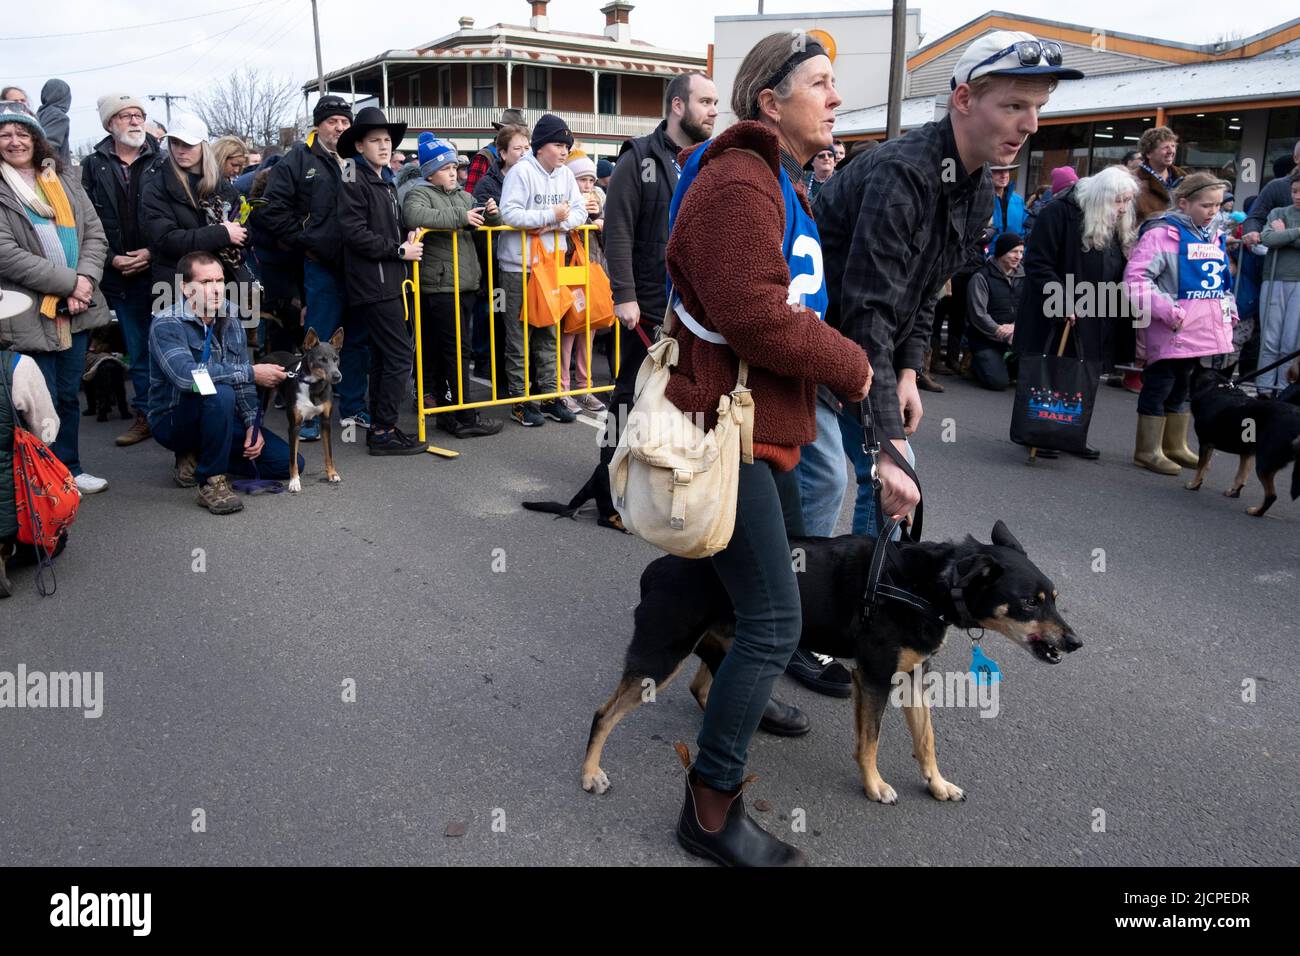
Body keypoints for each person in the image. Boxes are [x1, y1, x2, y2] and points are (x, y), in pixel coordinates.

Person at [803, 31, 1082, 694]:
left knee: (894, 485)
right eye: (1014, 104)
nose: (1030, 123)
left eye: (1036, 107)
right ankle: (791, 627)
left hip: (865, 353)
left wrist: (908, 369)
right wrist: (887, 438)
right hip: (809, 345)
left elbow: (924, 290)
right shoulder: (901, 173)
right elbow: (868, 309)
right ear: (963, 98)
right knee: (825, 485)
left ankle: (868, 610)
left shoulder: (981, 188)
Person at [663, 32, 873, 867]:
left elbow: (794, 305)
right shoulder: (738, 182)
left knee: (768, 586)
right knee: (774, 617)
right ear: (769, 102)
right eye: (821, 84)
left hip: (769, 430)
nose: (837, 97)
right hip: (730, 432)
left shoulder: (780, 181)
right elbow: (753, 313)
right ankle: (710, 810)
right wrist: (851, 365)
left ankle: (728, 699)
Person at [0, 101, 113, 494]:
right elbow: (6, 253)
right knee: (34, 401)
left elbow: (95, 235)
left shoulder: (64, 180)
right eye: (5, 135)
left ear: (36, 138)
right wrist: (71, 283)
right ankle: (38, 481)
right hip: (27, 311)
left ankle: (71, 469)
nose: (15, 141)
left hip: (74, 309)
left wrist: (85, 280)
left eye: (22, 133)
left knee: (67, 395)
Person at [147, 251, 298, 514]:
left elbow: (243, 385)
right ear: (185, 287)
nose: (216, 289)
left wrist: (253, 425)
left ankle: (198, 457)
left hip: (220, 412)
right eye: (206, 283)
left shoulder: (231, 318)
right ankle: (211, 481)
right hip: (173, 419)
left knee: (286, 462)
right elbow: (187, 377)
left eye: (219, 281)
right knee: (219, 391)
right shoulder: (166, 323)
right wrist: (252, 372)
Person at [258, 95, 370, 439]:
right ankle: (306, 414)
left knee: (357, 341)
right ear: (318, 124)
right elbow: (271, 208)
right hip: (321, 267)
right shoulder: (297, 159)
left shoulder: (356, 158)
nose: (339, 127)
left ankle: (351, 407)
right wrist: (308, 240)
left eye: (344, 121)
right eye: (332, 121)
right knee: (317, 346)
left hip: (358, 266)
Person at [1015, 164, 1137, 458]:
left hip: (1098, 308)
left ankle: (1072, 433)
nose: (1122, 209)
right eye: (1117, 201)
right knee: (1056, 373)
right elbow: (1038, 264)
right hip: (1060, 311)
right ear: (1100, 198)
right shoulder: (1059, 212)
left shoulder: (1110, 219)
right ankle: (1043, 432)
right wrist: (1063, 300)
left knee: (1086, 375)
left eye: (1127, 202)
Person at [1124, 172, 1236, 474]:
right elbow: (1136, 281)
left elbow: (1222, 282)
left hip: (1200, 329)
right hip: (1171, 327)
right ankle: (1147, 449)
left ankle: (1174, 444)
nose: (1213, 211)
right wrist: (1169, 310)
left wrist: (1229, 309)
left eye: (1217, 205)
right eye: (1206, 205)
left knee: (1185, 384)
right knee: (1160, 384)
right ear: (1184, 203)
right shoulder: (1161, 234)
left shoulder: (1213, 235)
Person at [335, 106, 427, 456]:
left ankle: (380, 426)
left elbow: (382, 226)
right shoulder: (352, 175)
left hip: (388, 279)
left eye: (387, 139)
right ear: (359, 146)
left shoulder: (385, 178)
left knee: (385, 356)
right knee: (399, 354)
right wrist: (398, 251)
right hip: (374, 282)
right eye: (375, 140)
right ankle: (383, 430)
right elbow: (354, 232)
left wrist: (407, 234)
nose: (384, 145)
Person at [400, 133, 504, 438]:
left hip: (465, 284)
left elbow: (486, 224)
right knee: (455, 351)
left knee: (452, 350)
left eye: (455, 168)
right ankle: (463, 414)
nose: (454, 173)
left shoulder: (462, 195)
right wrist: (462, 216)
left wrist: (494, 216)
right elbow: (414, 215)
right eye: (447, 168)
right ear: (431, 171)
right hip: (441, 286)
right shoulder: (418, 193)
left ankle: (450, 413)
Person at [80, 93, 161, 447]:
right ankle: (147, 417)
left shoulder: (163, 157)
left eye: (139, 114)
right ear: (109, 124)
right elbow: (86, 220)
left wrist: (152, 251)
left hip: (163, 269)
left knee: (174, 345)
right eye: (125, 115)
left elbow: (177, 214)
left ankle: (176, 415)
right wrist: (112, 258)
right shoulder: (93, 165)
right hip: (121, 274)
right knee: (139, 351)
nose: (134, 121)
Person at [497, 112, 587, 427]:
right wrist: (550, 215)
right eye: (558, 145)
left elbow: (579, 213)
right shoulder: (521, 173)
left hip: (551, 266)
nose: (564, 151)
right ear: (540, 147)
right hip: (518, 267)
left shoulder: (564, 175)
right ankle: (521, 402)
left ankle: (549, 397)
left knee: (549, 332)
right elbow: (510, 214)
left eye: (567, 145)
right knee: (519, 336)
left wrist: (551, 221)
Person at [140, 114, 244, 291]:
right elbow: (166, 240)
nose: (180, 150)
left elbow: (246, 232)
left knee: (245, 317)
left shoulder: (222, 186)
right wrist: (222, 233)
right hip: (178, 286)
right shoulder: (156, 187)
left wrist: (239, 234)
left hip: (227, 281)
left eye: (188, 144)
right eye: (174, 143)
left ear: (203, 145)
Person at [471, 122, 530, 385]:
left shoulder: (532, 176)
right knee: (498, 319)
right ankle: (497, 373)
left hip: (528, 263)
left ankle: (522, 376)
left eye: (527, 147)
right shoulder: (487, 183)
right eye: (517, 148)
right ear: (503, 153)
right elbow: (484, 225)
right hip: (495, 265)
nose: (524, 152)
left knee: (525, 322)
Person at [0, 345, 60, 597]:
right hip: (10, 495)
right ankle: (6, 547)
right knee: (55, 539)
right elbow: (47, 431)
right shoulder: (19, 365)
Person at [557, 151, 608, 415]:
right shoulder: (563, 199)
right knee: (569, 331)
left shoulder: (599, 199)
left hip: (593, 270)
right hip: (569, 272)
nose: (587, 185)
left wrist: (599, 219)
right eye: (582, 179)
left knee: (589, 329)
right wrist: (581, 219)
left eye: (590, 180)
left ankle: (584, 387)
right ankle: (564, 388)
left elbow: (609, 236)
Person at [1257, 176, 1300, 395]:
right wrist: (1296, 232)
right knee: (1269, 338)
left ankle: (1285, 389)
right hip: (1273, 279)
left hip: (1297, 282)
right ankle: (1264, 389)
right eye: (1294, 191)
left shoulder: (1280, 218)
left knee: (1290, 342)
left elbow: (1275, 237)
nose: (1297, 196)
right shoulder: (1278, 212)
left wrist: (1283, 234)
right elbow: (1267, 239)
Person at [966, 232, 1024, 389]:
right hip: (987, 339)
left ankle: (1008, 365)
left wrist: (1015, 328)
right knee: (998, 383)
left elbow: (1029, 310)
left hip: (1015, 337)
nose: (1018, 256)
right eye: (1013, 251)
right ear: (1001, 252)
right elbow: (978, 315)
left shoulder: (1025, 277)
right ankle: (976, 362)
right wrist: (999, 330)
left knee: (1030, 378)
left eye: (1021, 252)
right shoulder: (981, 277)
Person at [466, 108, 526, 194]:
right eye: (513, 132)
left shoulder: (525, 158)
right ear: (501, 131)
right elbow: (471, 195)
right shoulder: (484, 157)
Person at [1134, 126, 1184, 225]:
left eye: (1173, 146)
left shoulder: (1184, 178)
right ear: (1148, 153)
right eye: (1165, 147)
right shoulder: (1134, 181)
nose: (1171, 151)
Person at [988, 162, 1026, 249]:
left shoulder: (1018, 200)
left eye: (1006, 171)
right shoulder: (978, 199)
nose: (1004, 175)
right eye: (998, 171)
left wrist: (1021, 252)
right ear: (987, 173)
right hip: (985, 259)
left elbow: (1024, 232)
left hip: (1013, 259)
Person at [36, 80, 71, 167]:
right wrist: (49, 177)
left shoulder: (39, 114)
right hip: (53, 173)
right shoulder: (58, 116)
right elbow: (48, 148)